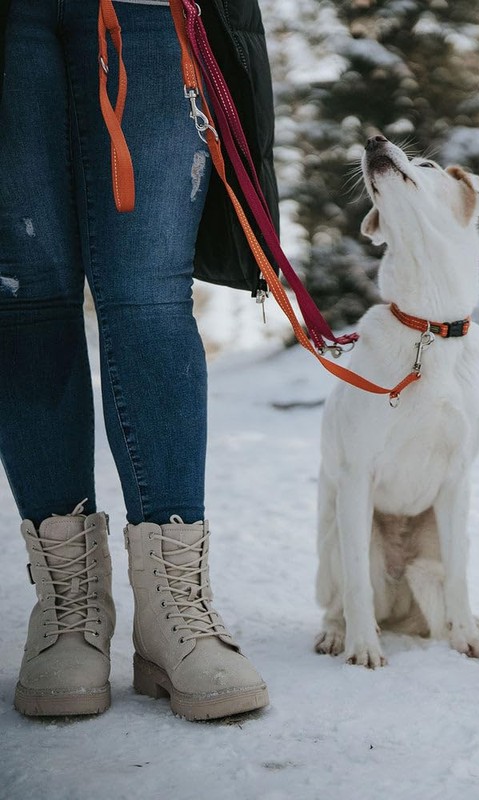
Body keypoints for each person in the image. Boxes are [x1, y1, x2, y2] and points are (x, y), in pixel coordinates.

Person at [0, 0, 279, 720]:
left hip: (150, 13)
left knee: (151, 297)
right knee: (26, 296)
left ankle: (174, 610)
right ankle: (68, 607)